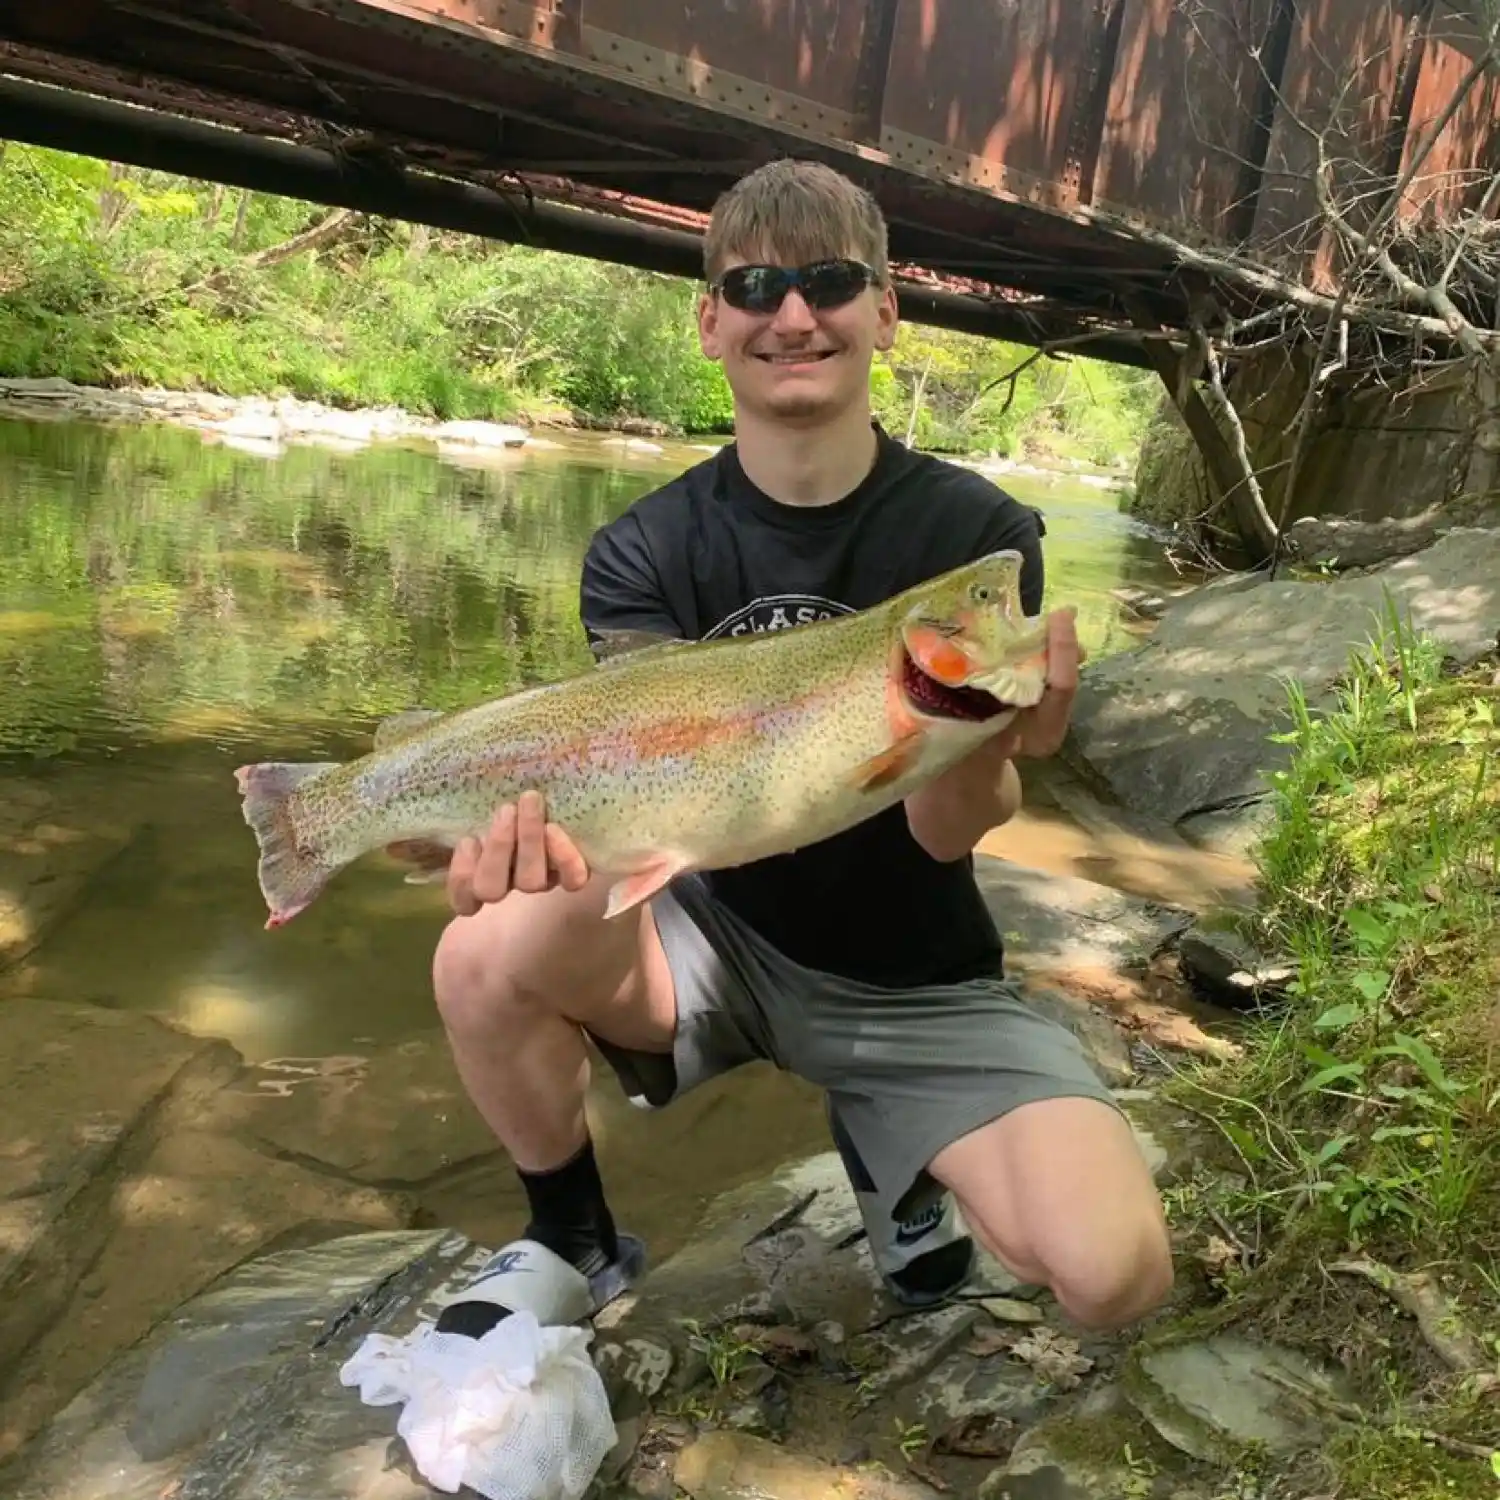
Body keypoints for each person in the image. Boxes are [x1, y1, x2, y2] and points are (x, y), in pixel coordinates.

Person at [429, 158, 1173, 1338]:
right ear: (710, 320)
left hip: (914, 972)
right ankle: (572, 1237)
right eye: (757, 285)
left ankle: (894, 1158)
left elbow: (944, 831)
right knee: (480, 948)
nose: (793, 314)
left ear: (885, 310)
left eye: (830, 281)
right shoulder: (642, 549)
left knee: (1114, 1273)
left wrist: (979, 740)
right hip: (708, 940)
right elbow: (630, 775)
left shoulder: (974, 538)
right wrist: (488, 840)